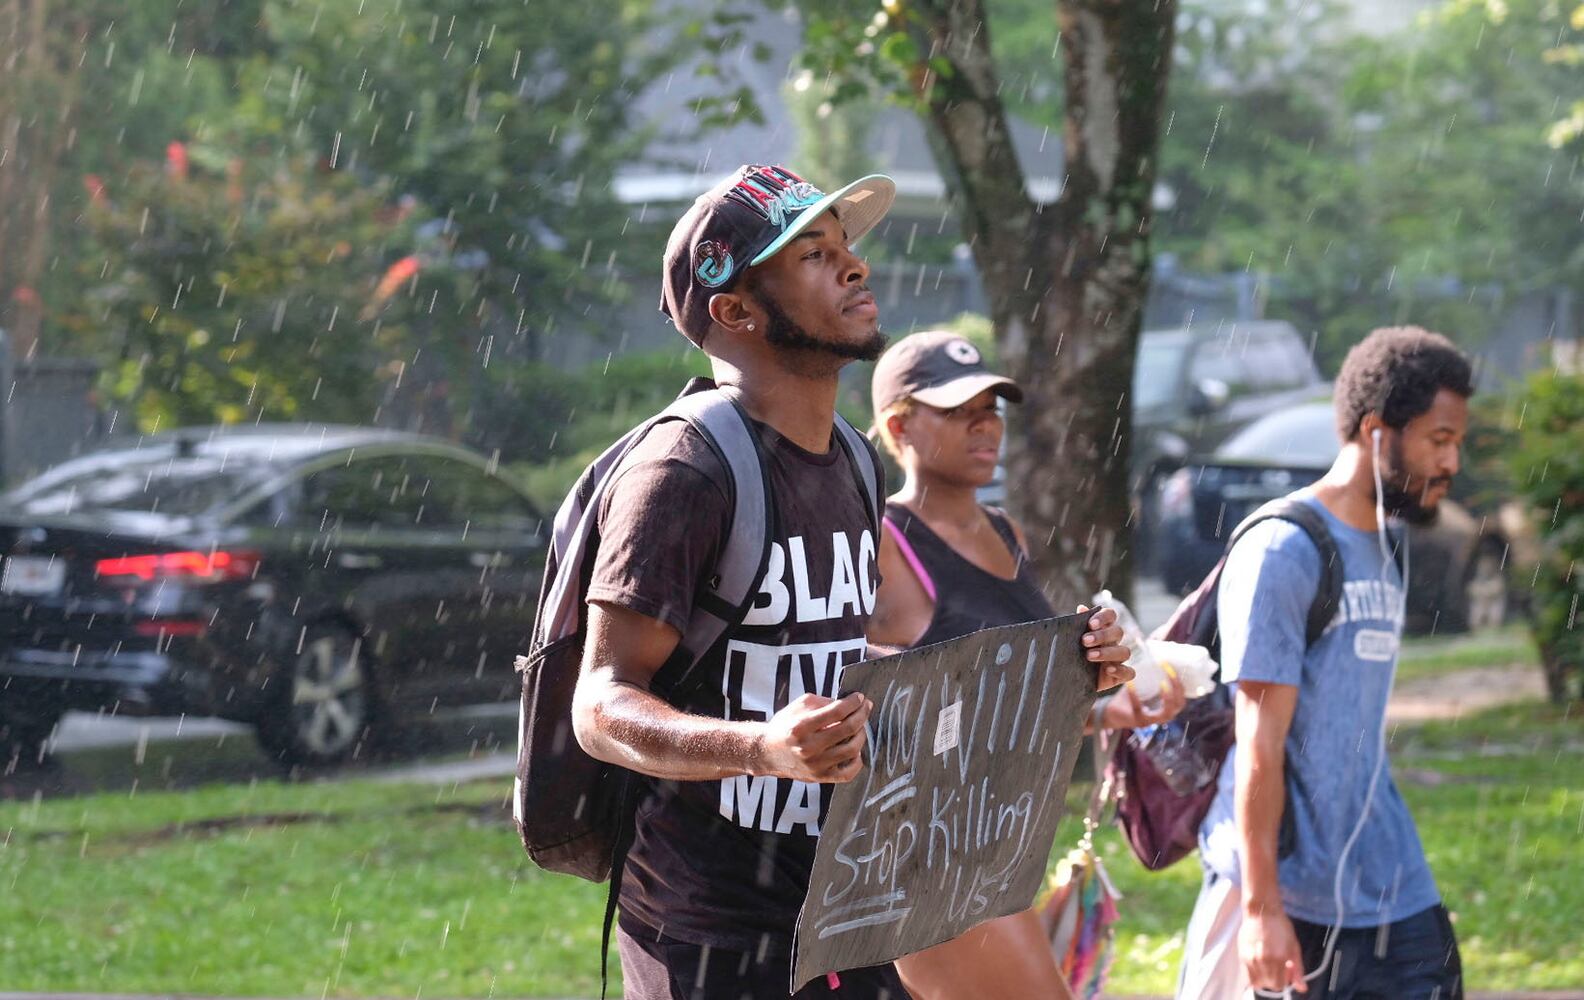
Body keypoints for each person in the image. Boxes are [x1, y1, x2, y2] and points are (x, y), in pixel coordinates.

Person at [569, 165, 1137, 1000]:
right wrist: (759, 748)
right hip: (712, 930)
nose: (854, 267)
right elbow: (601, 703)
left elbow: (826, 645)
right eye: (812, 255)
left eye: (845, 248)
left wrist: (1058, 677)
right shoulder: (684, 472)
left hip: (851, 901)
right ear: (735, 309)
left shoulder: (854, 464)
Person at [865, 330, 1186, 1000]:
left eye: (992, 408)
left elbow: (1017, 701)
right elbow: (888, 702)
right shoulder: (883, 544)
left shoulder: (1005, 531)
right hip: (928, 857)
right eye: (958, 410)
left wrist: (1110, 702)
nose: (985, 425)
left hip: (998, 843)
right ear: (898, 425)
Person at [1178, 326, 1470, 1000]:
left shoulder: (1387, 544)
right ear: (1376, 430)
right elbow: (1260, 744)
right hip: (1295, 896)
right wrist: (1260, 910)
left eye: (1458, 442)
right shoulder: (1285, 548)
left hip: (1391, 883)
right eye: (1439, 440)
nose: (1453, 462)